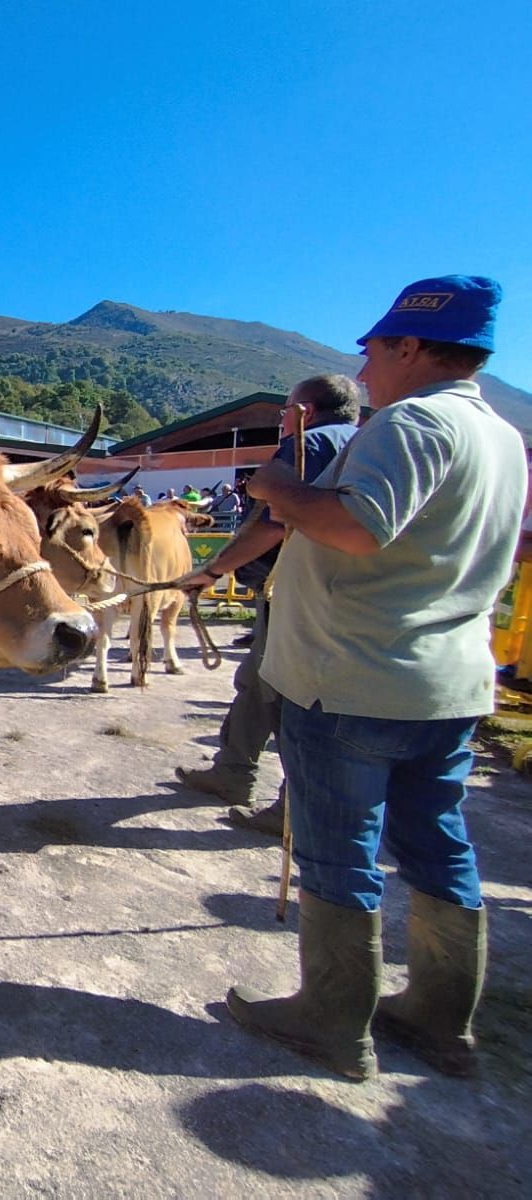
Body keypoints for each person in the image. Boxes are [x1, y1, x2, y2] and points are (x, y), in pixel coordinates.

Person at [222, 276, 521, 1081]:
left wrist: (278, 490)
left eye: (375, 349)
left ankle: (332, 1023)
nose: (363, 367)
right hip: (445, 684)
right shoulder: (501, 437)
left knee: (338, 857)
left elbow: (357, 528)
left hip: (354, 679)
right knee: (437, 847)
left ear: (411, 346)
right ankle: (440, 1020)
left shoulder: (413, 423)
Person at [173, 377, 360, 833]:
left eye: (284, 412)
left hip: (296, 595)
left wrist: (212, 571)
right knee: (257, 682)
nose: (282, 421)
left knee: (288, 695)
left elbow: (274, 524)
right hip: (337, 596)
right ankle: (233, 772)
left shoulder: (308, 444)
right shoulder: (365, 444)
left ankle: (294, 806)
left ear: (304, 412)